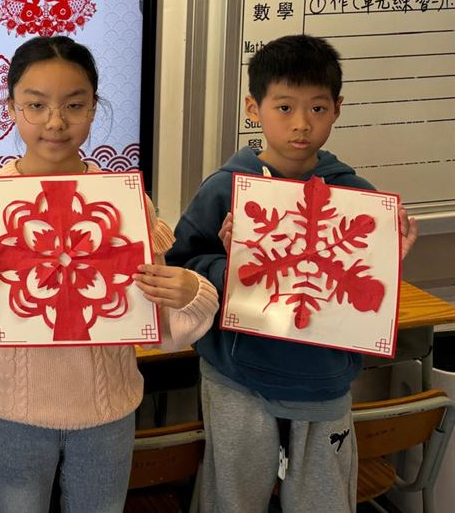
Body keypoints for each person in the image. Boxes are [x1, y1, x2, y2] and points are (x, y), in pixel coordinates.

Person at [0, 36, 219, 512]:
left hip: (106, 414)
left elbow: (159, 327)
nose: (56, 122)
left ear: (93, 107)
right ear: (11, 107)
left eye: (74, 105)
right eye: (36, 105)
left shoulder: (127, 204)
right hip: (10, 411)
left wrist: (191, 292)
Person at [166, 34, 417, 513]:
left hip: (323, 380)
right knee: (233, 498)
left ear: (337, 109)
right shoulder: (225, 188)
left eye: (317, 109)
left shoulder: (358, 195)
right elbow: (181, 270)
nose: (301, 124)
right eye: (284, 108)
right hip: (238, 376)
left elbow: (365, 294)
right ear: (254, 108)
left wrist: (391, 261)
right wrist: (232, 265)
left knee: (323, 498)